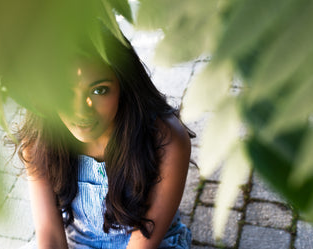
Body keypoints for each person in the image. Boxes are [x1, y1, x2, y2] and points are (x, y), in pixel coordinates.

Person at [15, 28, 194, 249]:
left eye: (99, 90)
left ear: (124, 84)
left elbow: (144, 243)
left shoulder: (166, 141)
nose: (81, 111)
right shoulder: (40, 138)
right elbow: (50, 235)